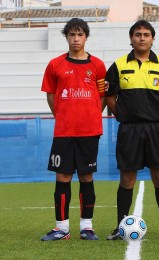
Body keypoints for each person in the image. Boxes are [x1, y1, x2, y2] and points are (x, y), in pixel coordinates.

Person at [105, 20, 159, 240]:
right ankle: (121, 227)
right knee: (127, 179)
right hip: (129, 130)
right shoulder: (118, 65)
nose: (142, 38)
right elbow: (109, 97)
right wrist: (123, 116)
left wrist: (157, 116)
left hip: (156, 129)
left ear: (153, 38)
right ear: (131, 38)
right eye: (137, 34)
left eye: (146, 34)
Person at [40, 18, 106, 241]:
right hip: (64, 131)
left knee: (86, 176)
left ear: (86, 37)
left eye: (80, 34)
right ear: (66, 37)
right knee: (63, 176)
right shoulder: (55, 65)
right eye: (72, 34)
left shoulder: (97, 65)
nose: (76, 39)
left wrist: (93, 113)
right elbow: (50, 95)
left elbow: (102, 95)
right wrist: (62, 116)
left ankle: (87, 227)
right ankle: (62, 228)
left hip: (89, 130)